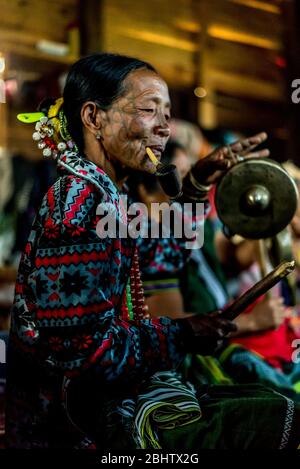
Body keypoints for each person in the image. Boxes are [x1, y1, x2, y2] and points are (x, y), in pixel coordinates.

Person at [5, 53, 300, 449]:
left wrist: (197, 184)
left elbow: (163, 257)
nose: (165, 126)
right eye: (149, 110)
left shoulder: (109, 195)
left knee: (275, 404)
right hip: (75, 428)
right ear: (95, 118)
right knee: (275, 418)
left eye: (168, 113)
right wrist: (182, 332)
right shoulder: (79, 204)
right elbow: (82, 351)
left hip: (109, 407)